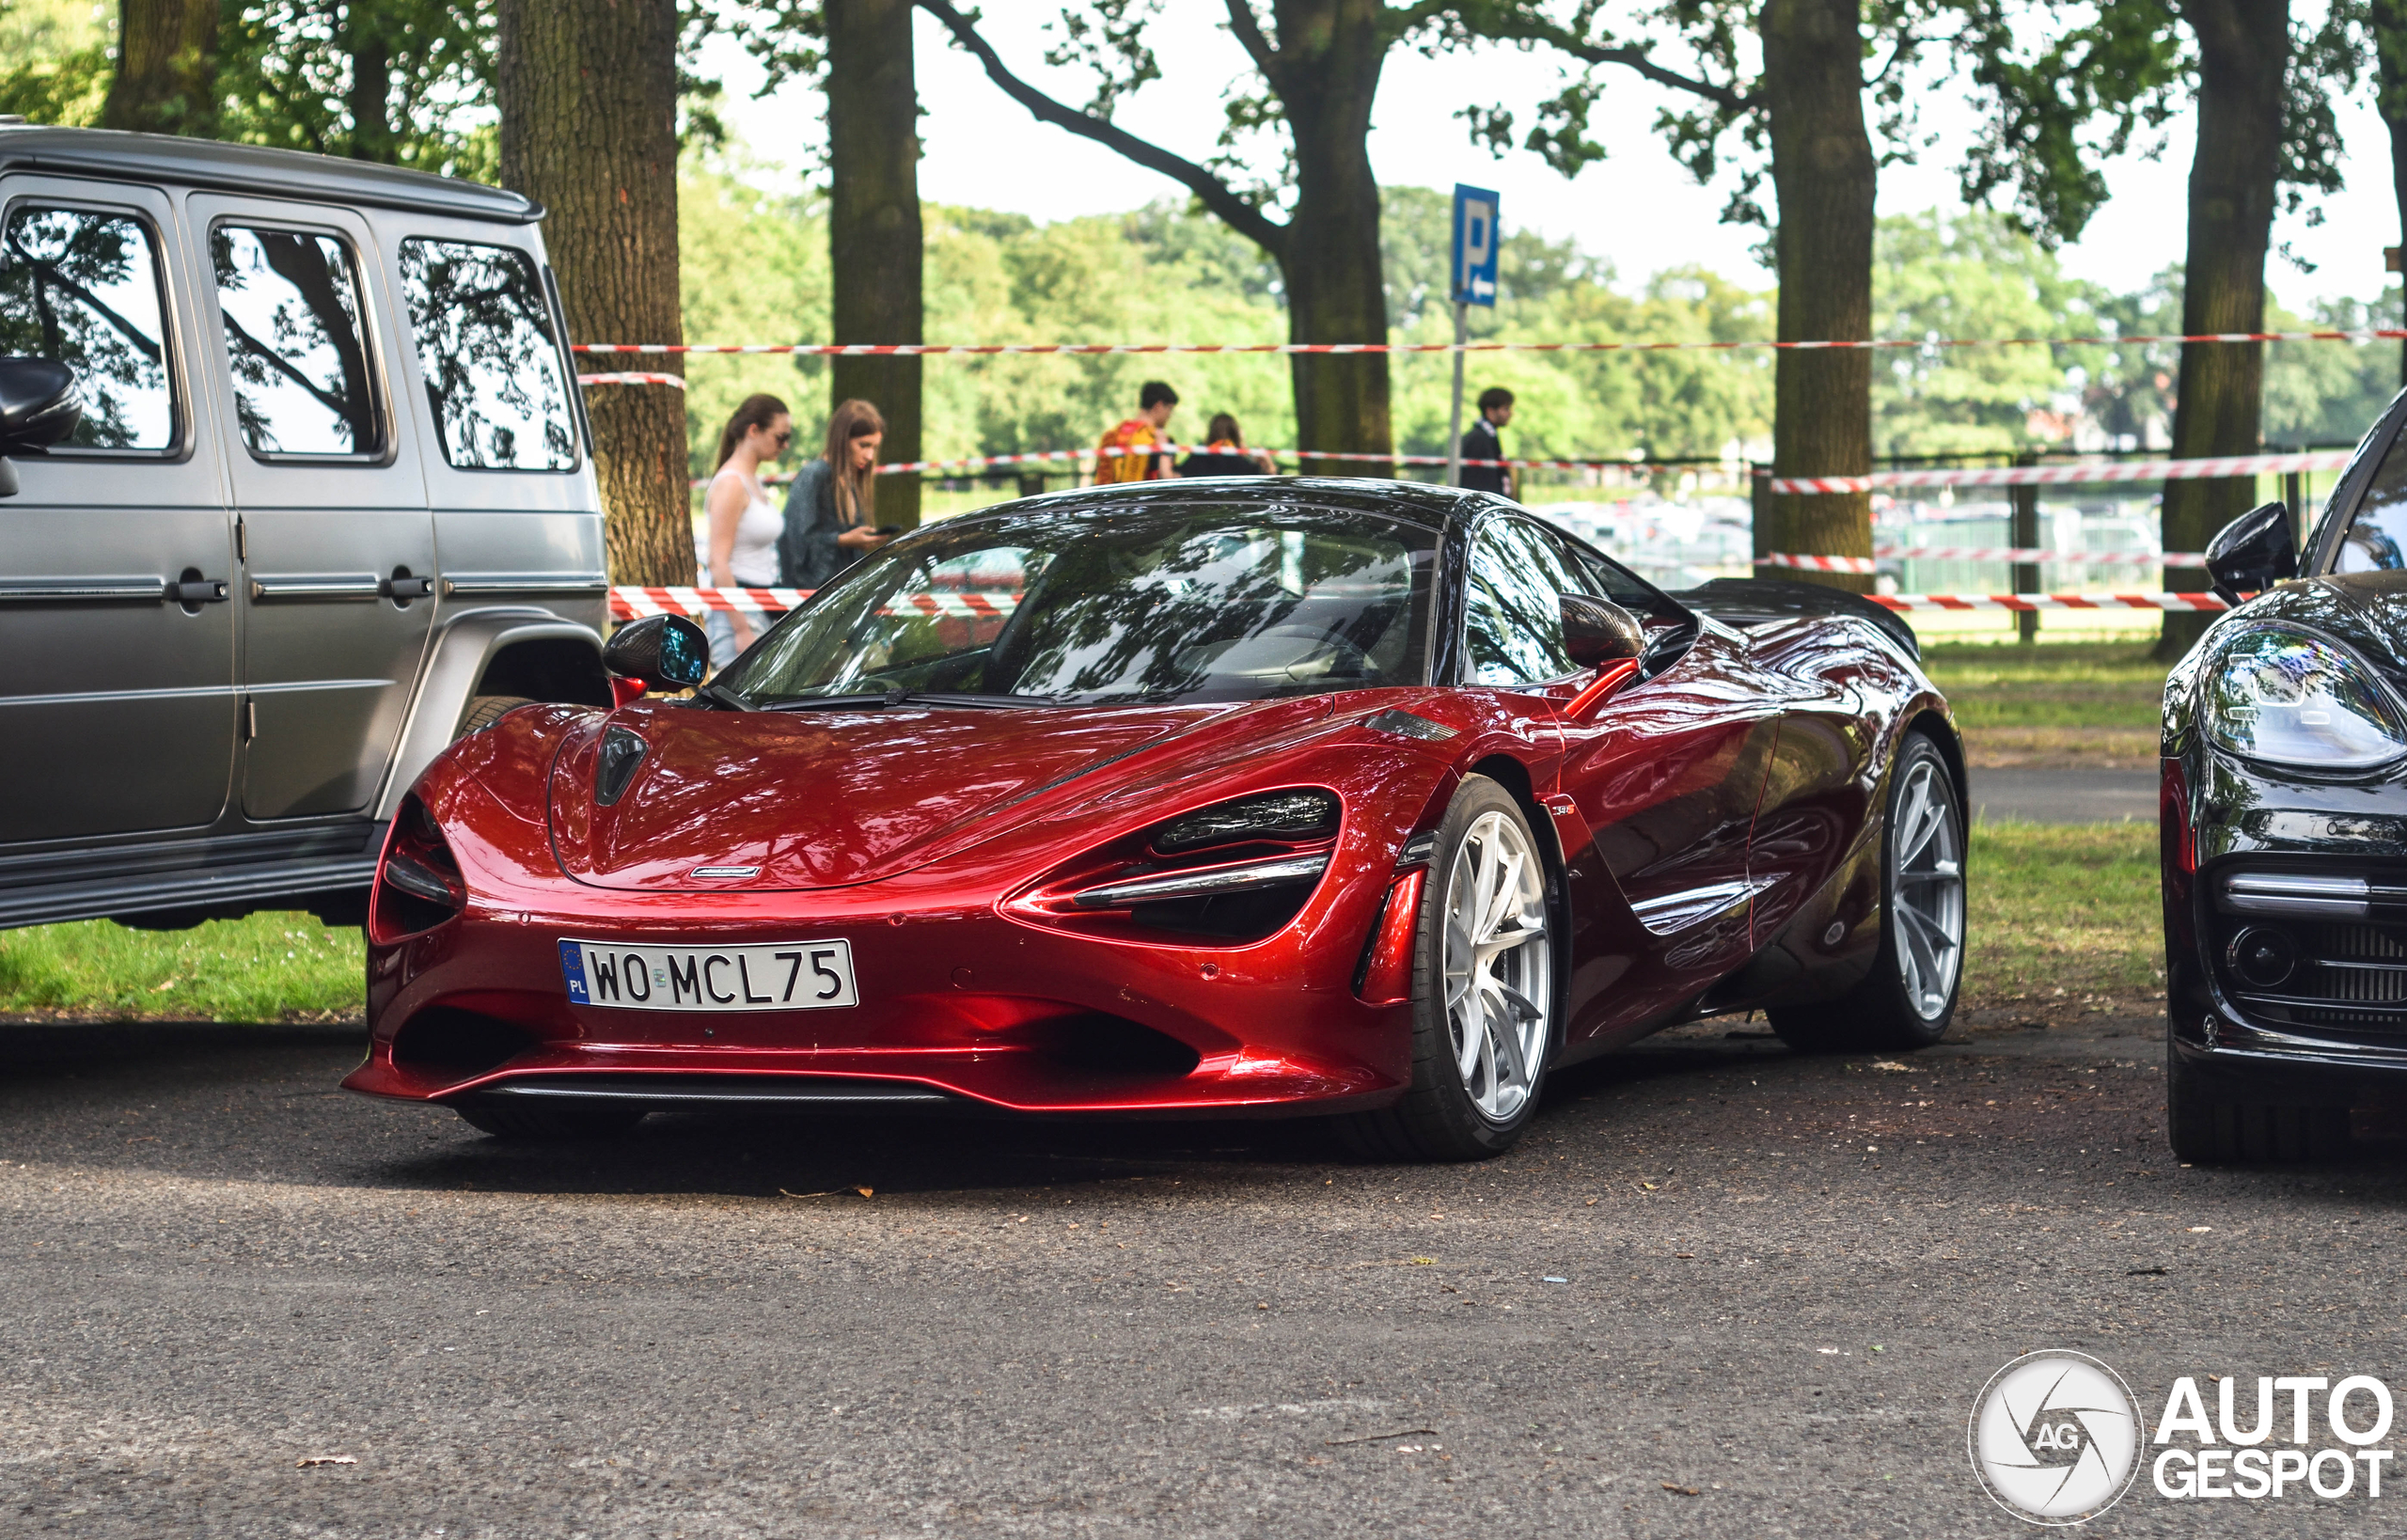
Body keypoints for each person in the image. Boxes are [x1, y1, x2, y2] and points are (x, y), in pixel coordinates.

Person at [701, 393, 792, 662]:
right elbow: (718, 562)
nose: (786, 445)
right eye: (780, 437)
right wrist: (741, 628)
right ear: (754, 431)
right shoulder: (732, 484)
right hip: (739, 609)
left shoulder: (752, 480)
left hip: (762, 604)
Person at [778, 398, 891, 590]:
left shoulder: (851, 481)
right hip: (813, 597)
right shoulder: (814, 475)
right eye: (864, 445)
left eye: (874, 447)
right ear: (842, 440)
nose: (870, 456)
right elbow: (795, 541)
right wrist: (843, 540)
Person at [1094, 380, 1179, 482]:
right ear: (1159, 406)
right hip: (1144, 497)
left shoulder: (1110, 437)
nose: (1170, 415)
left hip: (1109, 498)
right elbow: (1168, 481)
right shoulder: (1158, 440)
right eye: (1170, 409)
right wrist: (1164, 450)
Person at [1175, 413, 1278, 478]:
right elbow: (1272, 486)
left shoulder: (1198, 456)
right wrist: (1269, 464)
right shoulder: (1243, 464)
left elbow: (1175, 476)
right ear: (1235, 433)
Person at [1459, 386, 1515, 498]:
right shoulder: (1479, 439)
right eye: (1506, 409)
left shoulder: (1487, 435)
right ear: (1490, 411)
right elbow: (1482, 483)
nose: (1510, 414)